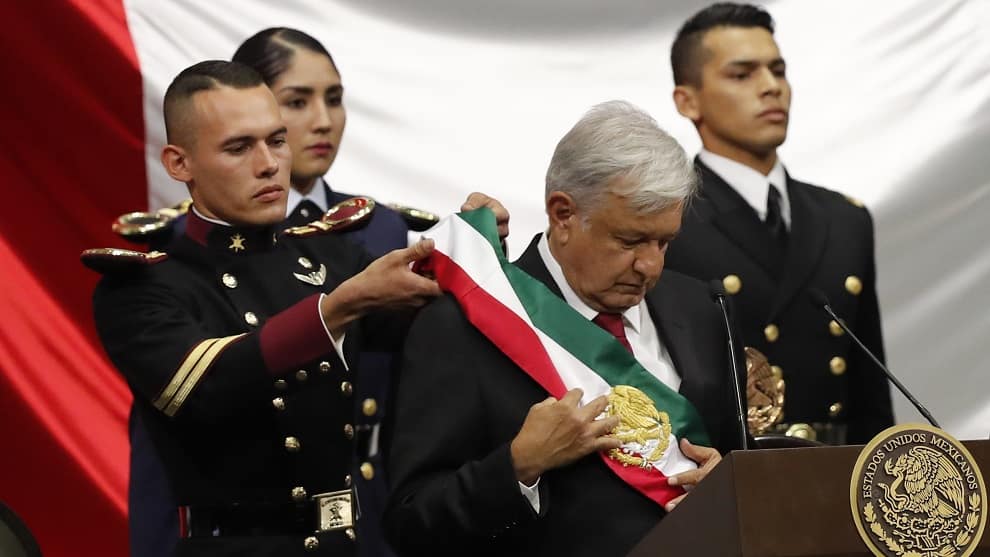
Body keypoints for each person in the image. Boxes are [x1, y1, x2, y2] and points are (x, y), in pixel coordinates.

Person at [90, 60, 505, 556]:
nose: (268, 164)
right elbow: (202, 387)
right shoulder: (143, 286)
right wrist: (336, 310)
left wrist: (470, 247)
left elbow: (427, 321)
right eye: (239, 147)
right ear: (180, 164)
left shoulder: (329, 255)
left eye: (277, 140)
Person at [383, 101, 746, 557]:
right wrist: (518, 466)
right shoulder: (463, 326)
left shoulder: (702, 307)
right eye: (630, 240)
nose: (650, 266)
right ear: (563, 215)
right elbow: (411, 522)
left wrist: (727, 486)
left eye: (664, 241)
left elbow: (741, 464)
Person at [665, 2, 893, 445]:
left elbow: (870, 395)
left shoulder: (844, 219)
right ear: (687, 100)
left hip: (837, 470)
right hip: (725, 471)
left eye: (778, 70)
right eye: (742, 74)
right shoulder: (670, 218)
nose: (771, 87)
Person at [232, 27, 410, 557]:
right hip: (255, 523)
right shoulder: (199, 237)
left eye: (334, 99)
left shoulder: (380, 229)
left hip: (370, 508)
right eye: (298, 101)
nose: (324, 120)